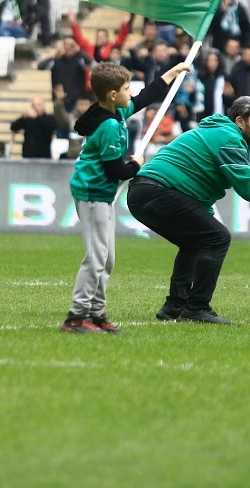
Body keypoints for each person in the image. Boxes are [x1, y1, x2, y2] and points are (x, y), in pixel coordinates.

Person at [61, 58, 190, 335]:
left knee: (107, 260)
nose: (131, 92)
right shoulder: (107, 126)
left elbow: (144, 98)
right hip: (93, 194)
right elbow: (115, 169)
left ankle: (96, 313)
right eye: (127, 87)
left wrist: (172, 72)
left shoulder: (115, 113)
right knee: (96, 258)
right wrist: (136, 165)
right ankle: (76, 316)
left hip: (102, 195)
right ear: (112, 94)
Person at [128, 96, 250, 325]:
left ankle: (174, 307)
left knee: (195, 242)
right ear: (240, 121)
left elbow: (197, 192)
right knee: (218, 237)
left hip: (145, 191)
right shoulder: (229, 138)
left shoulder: (217, 132)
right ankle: (197, 307)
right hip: (157, 190)